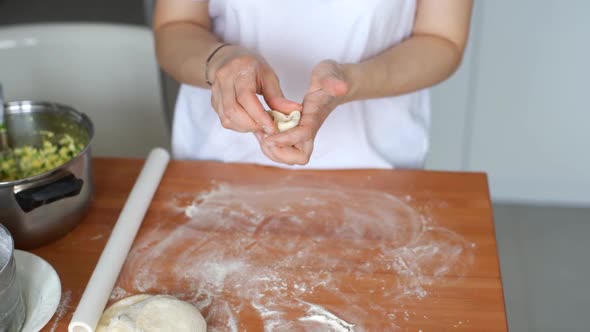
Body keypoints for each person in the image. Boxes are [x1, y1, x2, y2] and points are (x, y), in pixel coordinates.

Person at [153, 0, 473, 169]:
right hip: (218, 161)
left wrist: (352, 81)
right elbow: (174, 27)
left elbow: (442, 40)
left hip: (374, 166)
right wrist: (220, 61)